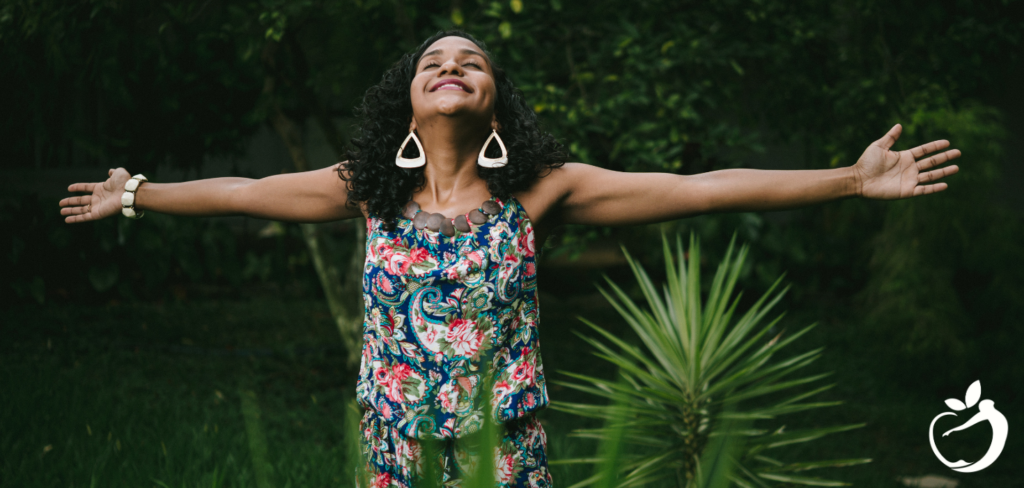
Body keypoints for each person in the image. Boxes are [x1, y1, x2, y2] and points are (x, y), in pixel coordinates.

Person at [60, 30, 960, 488]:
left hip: (508, 458)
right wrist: (135, 193)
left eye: (472, 61)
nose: (451, 63)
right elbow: (241, 191)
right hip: (396, 454)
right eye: (433, 61)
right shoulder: (367, 191)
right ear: (408, 104)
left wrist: (849, 179)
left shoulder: (546, 192)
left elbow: (699, 186)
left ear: (493, 108)